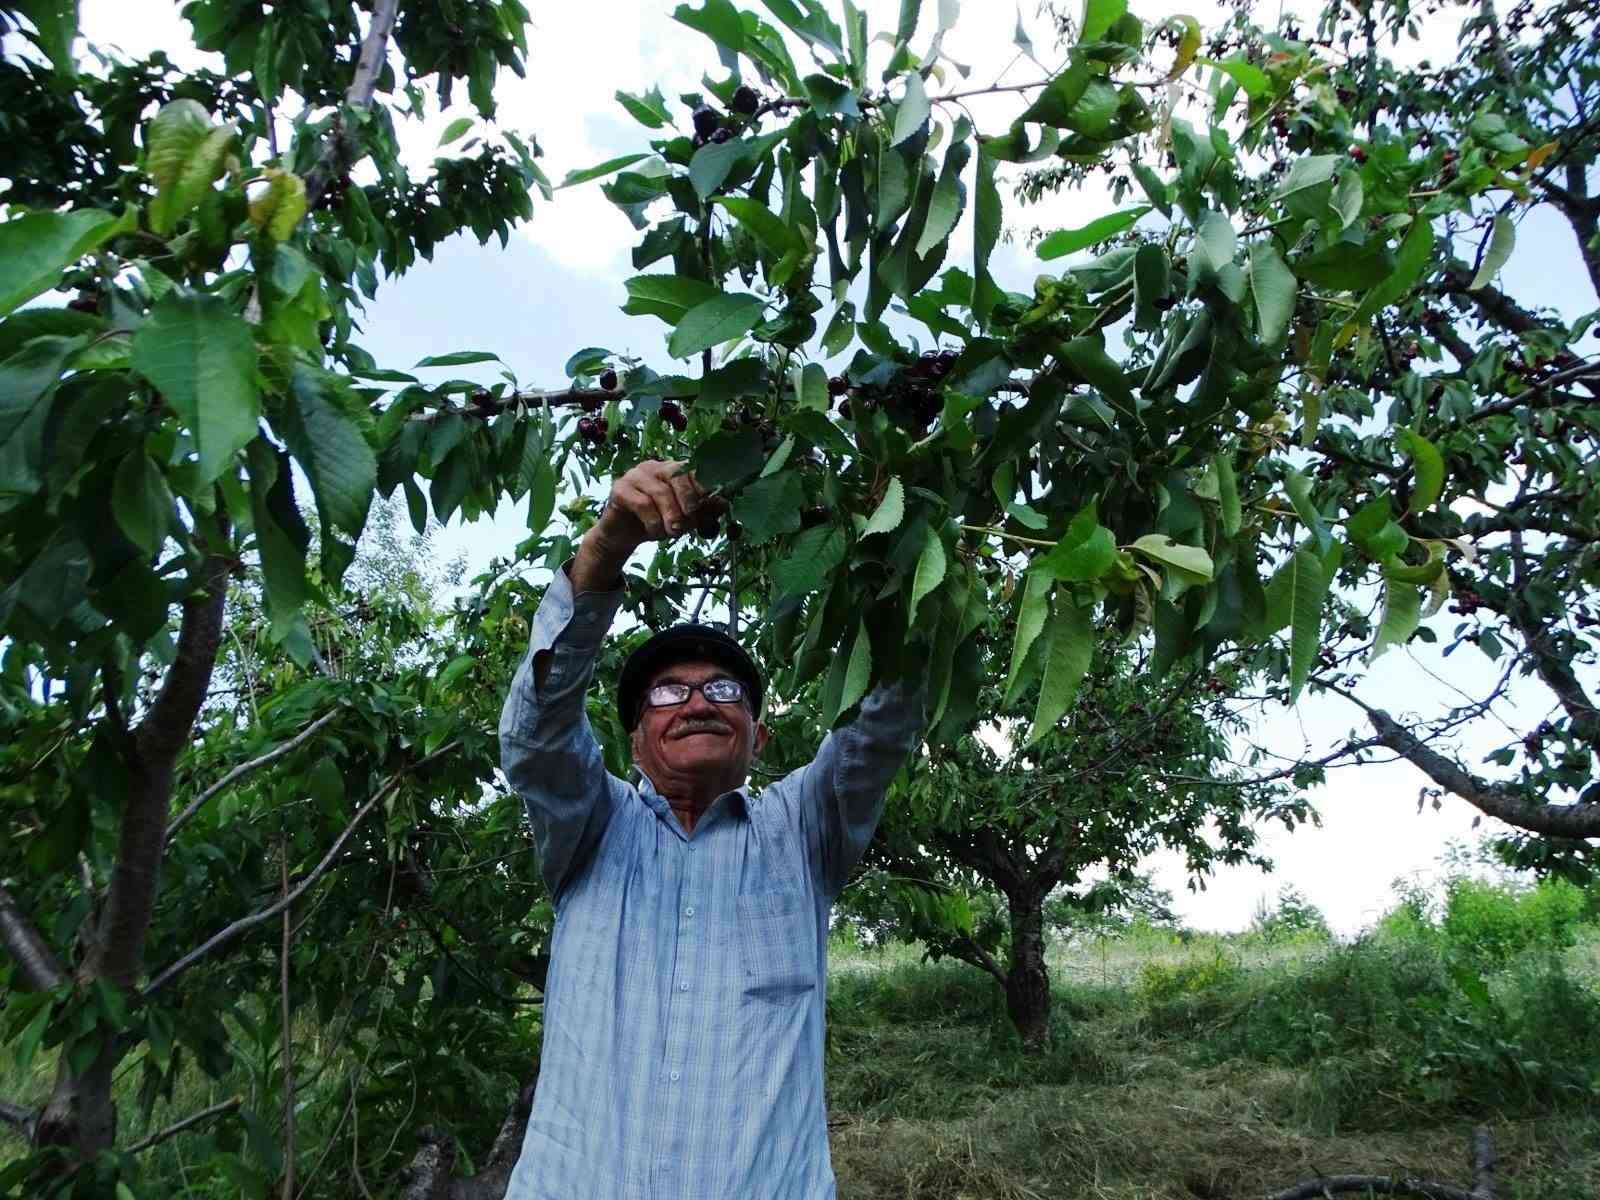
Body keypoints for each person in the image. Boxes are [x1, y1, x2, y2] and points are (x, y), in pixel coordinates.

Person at [498, 459, 924, 1200]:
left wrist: (864, 530)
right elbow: (535, 736)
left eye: (723, 689)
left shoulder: (803, 830)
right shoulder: (591, 828)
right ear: (633, 742)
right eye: (667, 692)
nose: (697, 701)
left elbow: (882, 719)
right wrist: (603, 549)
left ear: (758, 738)